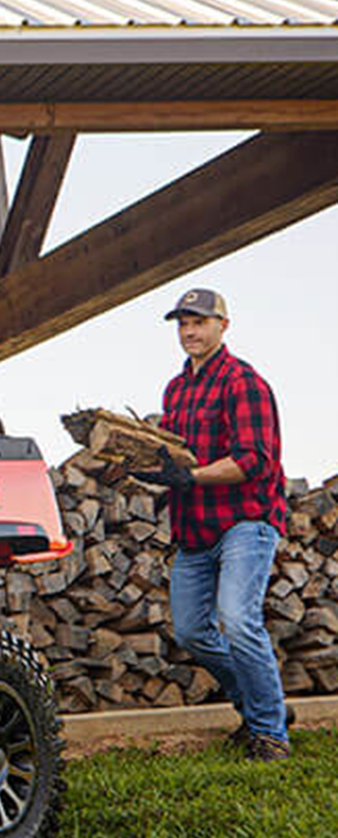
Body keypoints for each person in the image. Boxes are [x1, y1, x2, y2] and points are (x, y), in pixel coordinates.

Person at [139, 287, 292, 761]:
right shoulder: (176, 388)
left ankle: (270, 735)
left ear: (222, 326)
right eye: (182, 323)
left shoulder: (244, 382)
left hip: (246, 519)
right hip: (195, 527)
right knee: (189, 631)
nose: (189, 331)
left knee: (237, 619)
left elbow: (254, 460)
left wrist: (190, 476)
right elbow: (176, 454)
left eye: (199, 322)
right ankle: (261, 706)